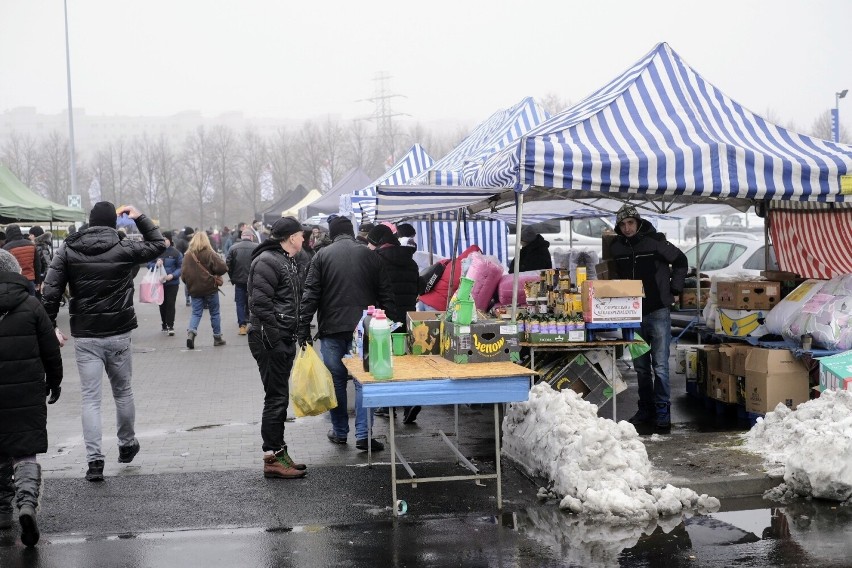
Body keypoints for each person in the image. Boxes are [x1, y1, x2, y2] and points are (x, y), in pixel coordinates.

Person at [42, 202, 165, 482]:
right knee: (123, 392)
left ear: (89, 221)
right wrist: (139, 217)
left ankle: (94, 461)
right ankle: (126, 444)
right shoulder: (124, 247)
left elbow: (50, 291)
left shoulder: (69, 250)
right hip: (119, 332)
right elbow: (158, 244)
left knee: (91, 399)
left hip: (86, 335)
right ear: (114, 222)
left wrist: (48, 325)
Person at [298, 215, 396, 451]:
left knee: (337, 382)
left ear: (332, 233)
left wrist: (303, 329)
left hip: (331, 330)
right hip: (364, 331)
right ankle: (363, 435)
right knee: (363, 382)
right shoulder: (370, 255)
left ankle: (340, 432)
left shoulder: (321, 256)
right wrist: (390, 326)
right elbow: (386, 293)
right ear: (351, 232)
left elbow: (310, 294)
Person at [0, 250, 63, 547]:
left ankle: (2, 511)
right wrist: (55, 382)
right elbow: (50, 349)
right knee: (24, 452)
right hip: (27, 393)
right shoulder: (30, 304)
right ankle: (26, 503)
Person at [610, 204, 688, 432]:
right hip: (633, 316)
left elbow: (681, 260)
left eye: (630, 223)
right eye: (622, 225)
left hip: (658, 312)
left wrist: (675, 289)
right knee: (641, 367)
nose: (627, 228)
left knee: (661, 366)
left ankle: (663, 410)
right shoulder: (616, 248)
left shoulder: (655, 241)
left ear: (638, 222)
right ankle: (646, 408)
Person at [247, 217, 308, 479]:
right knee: (275, 398)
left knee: (279, 397)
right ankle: (271, 457)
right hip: (269, 339)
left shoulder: (287, 260)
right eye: (301, 235)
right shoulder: (268, 261)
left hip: (281, 337)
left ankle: (280, 452)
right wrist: (276, 340)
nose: (304, 239)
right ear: (291, 237)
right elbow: (260, 304)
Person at [366, 224, 422, 424]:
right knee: (405, 360)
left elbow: (373, 290)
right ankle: (410, 401)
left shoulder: (376, 261)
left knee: (386, 361)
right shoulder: (411, 261)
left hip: (384, 320)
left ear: (379, 242)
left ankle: (387, 404)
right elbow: (418, 288)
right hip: (408, 319)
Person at [181, 231, 228, 349]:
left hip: (195, 290)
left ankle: (191, 333)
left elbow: (183, 275)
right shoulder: (210, 253)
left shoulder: (187, 255)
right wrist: (215, 273)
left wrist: (190, 285)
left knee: (196, 313)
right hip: (210, 289)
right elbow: (223, 268)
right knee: (215, 313)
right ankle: (217, 338)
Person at [148, 231, 183, 336]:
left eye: (165, 239)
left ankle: (171, 325)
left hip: (172, 283)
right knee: (162, 304)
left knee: (171, 304)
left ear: (170, 240)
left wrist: (172, 275)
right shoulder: (156, 252)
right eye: (162, 239)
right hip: (159, 283)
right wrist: (156, 265)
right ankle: (164, 323)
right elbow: (149, 264)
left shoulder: (176, 253)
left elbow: (180, 267)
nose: (164, 241)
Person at [226, 228, 257, 336]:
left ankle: (242, 326)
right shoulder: (257, 247)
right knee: (252, 301)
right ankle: (252, 323)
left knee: (239, 303)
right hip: (253, 280)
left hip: (238, 280)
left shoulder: (233, 248)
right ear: (251, 237)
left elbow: (228, 264)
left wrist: (232, 277)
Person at [3, 224, 41, 296]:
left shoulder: (7, 248)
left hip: (15, 283)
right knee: (32, 304)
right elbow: (37, 265)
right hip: (30, 281)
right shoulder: (31, 245)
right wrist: (37, 282)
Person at [28, 226, 53, 298]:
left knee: (39, 299)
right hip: (38, 277)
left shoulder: (41, 247)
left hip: (41, 278)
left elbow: (48, 264)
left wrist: (44, 280)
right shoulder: (37, 246)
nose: (29, 237)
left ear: (35, 235)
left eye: (31, 234)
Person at [176, 227, 194, 306]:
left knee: (193, 282)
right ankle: (188, 299)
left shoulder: (192, 240)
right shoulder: (181, 242)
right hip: (186, 265)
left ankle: (192, 297)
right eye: (192, 233)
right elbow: (178, 254)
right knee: (187, 282)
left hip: (193, 264)